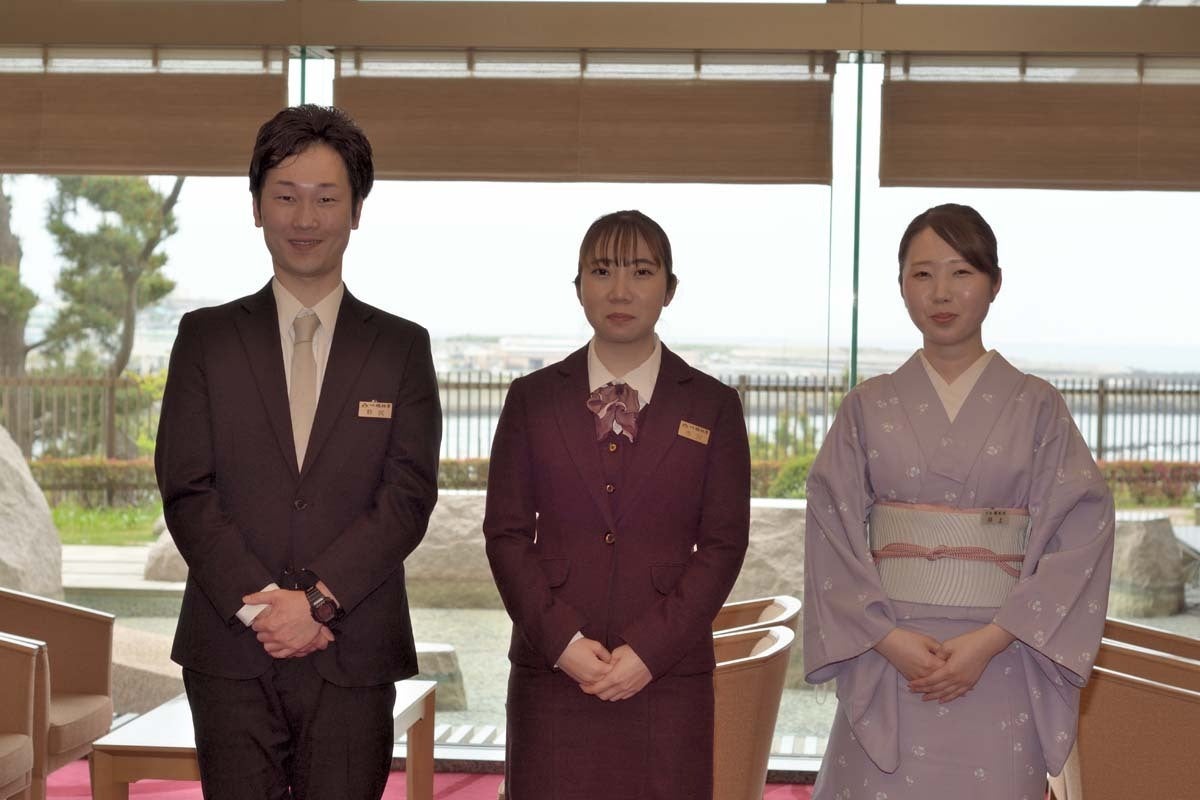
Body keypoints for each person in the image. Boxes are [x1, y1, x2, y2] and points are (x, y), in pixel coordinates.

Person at [154, 104, 441, 800]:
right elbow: (187, 488)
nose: (305, 218)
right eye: (285, 197)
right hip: (232, 649)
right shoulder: (206, 338)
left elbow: (407, 498)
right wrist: (264, 609)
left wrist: (315, 601)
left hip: (353, 647)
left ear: (357, 211)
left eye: (326, 198)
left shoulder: (400, 347)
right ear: (256, 207)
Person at [803, 203, 1115, 800]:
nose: (940, 292)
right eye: (921, 274)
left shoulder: (1038, 405)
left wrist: (993, 638)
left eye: (961, 272)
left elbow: (1083, 532)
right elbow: (830, 530)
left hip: (1001, 656)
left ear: (994, 283)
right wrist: (886, 639)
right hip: (887, 653)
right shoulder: (866, 406)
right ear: (900, 285)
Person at [483, 210, 751, 799]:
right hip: (553, 672)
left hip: (667, 677)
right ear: (578, 286)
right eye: (602, 271)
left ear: (669, 289)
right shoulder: (531, 399)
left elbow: (724, 545)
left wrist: (650, 651)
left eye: (641, 271)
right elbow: (505, 535)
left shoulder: (713, 405)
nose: (620, 290)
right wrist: (562, 643)